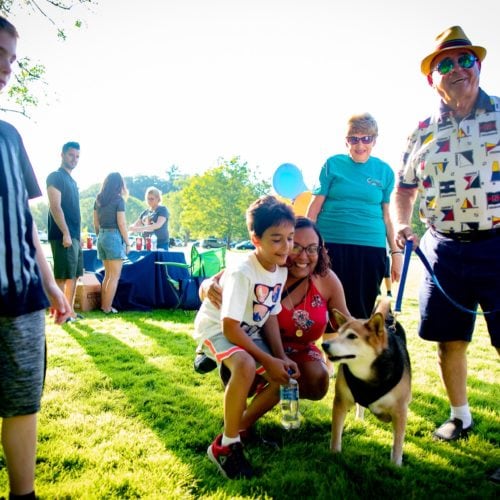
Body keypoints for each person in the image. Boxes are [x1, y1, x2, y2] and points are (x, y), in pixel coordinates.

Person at [394, 26, 500, 452]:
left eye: (466, 60)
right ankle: (460, 417)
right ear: (431, 78)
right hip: (442, 249)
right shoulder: (420, 132)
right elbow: (403, 190)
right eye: (446, 64)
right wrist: (403, 224)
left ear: (478, 66)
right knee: (448, 340)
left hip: (497, 246)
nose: (458, 69)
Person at [0, 16, 71, 499]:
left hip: (21, 297)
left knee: (22, 402)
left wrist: (48, 283)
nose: (6, 67)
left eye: (11, 58)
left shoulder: (9, 137)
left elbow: (25, 223)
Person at [194, 195, 298, 480]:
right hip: (216, 327)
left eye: (290, 238)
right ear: (256, 239)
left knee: (284, 379)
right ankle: (225, 446)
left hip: (248, 327)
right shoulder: (243, 271)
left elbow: (271, 314)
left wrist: (280, 357)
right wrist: (266, 358)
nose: (286, 246)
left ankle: (241, 427)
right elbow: (229, 328)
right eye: (276, 239)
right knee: (245, 365)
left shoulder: (280, 269)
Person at [202, 216, 351, 400]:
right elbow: (218, 285)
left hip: (299, 350)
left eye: (312, 248)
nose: (304, 256)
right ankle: (225, 373)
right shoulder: (262, 268)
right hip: (255, 342)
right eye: (295, 246)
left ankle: (270, 400)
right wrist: (206, 285)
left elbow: (345, 322)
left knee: (317, 381)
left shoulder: (326, 279)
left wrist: (377, 330)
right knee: (246, 378)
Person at [306, 113, 402, 319]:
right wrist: (305, 244)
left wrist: (396, 254)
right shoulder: (332, 164)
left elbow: (388, 217)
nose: (360, 145)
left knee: (360, 313)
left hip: (370, 248)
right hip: (330, 246)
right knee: (325, 311)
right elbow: (314, 208)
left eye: (366, 138)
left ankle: (354, 351)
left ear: (375, 140)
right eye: (354, 139)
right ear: (346, 141)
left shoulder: (384, 171)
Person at [46, 141, 82, 321]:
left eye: (77, 156)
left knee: (74, 275)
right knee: (61, 276)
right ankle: (60, 313)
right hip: (62, 235)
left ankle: (71, 312)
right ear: (62, 154)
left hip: (74, 235)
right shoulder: (55, 176)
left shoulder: (73, 181)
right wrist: (66, 233)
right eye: (71, 155)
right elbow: (55, 206)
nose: (74, 159)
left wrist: (77, 235)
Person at [93, 173, 130, 314]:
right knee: (114, 276)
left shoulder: (98, 199)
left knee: (108, 276)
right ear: (119, 185)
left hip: (101, 236)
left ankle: (104, 306)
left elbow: (95, 223)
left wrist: (100, 236)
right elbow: (121, 223)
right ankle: (107, 308)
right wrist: (127, 243)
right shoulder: (118, 200)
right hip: (113, 236)